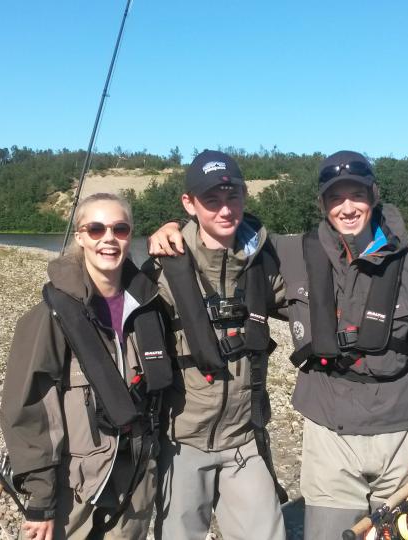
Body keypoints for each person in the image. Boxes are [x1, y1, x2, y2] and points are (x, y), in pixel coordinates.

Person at [149, 151, 408, 539]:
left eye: (357, 195)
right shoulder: (293, 253)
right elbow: (226, 237)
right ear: (322, 204)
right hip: (328, 433)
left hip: (401, 432)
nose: (347, 208)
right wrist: (169, 228)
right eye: (335, 198)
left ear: (374, 196)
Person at [0, 192, 174, 540]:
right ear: (80, 236)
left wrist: (175, 226)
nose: (108, 238)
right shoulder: (49, 316)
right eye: (96, 229)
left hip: (136, 481)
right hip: (73, 490)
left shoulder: (151, 306)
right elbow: (28, 408)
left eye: (120, 229)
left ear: (130, 235)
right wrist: (42, 499)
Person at [143, 150, 287, 540]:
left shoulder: (264, 261)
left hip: (245, 439)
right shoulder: (163, 264)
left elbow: (318, 298)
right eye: (212, 201)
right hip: (183, 440)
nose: (225, 210)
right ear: (189, 204)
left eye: (233, 197)